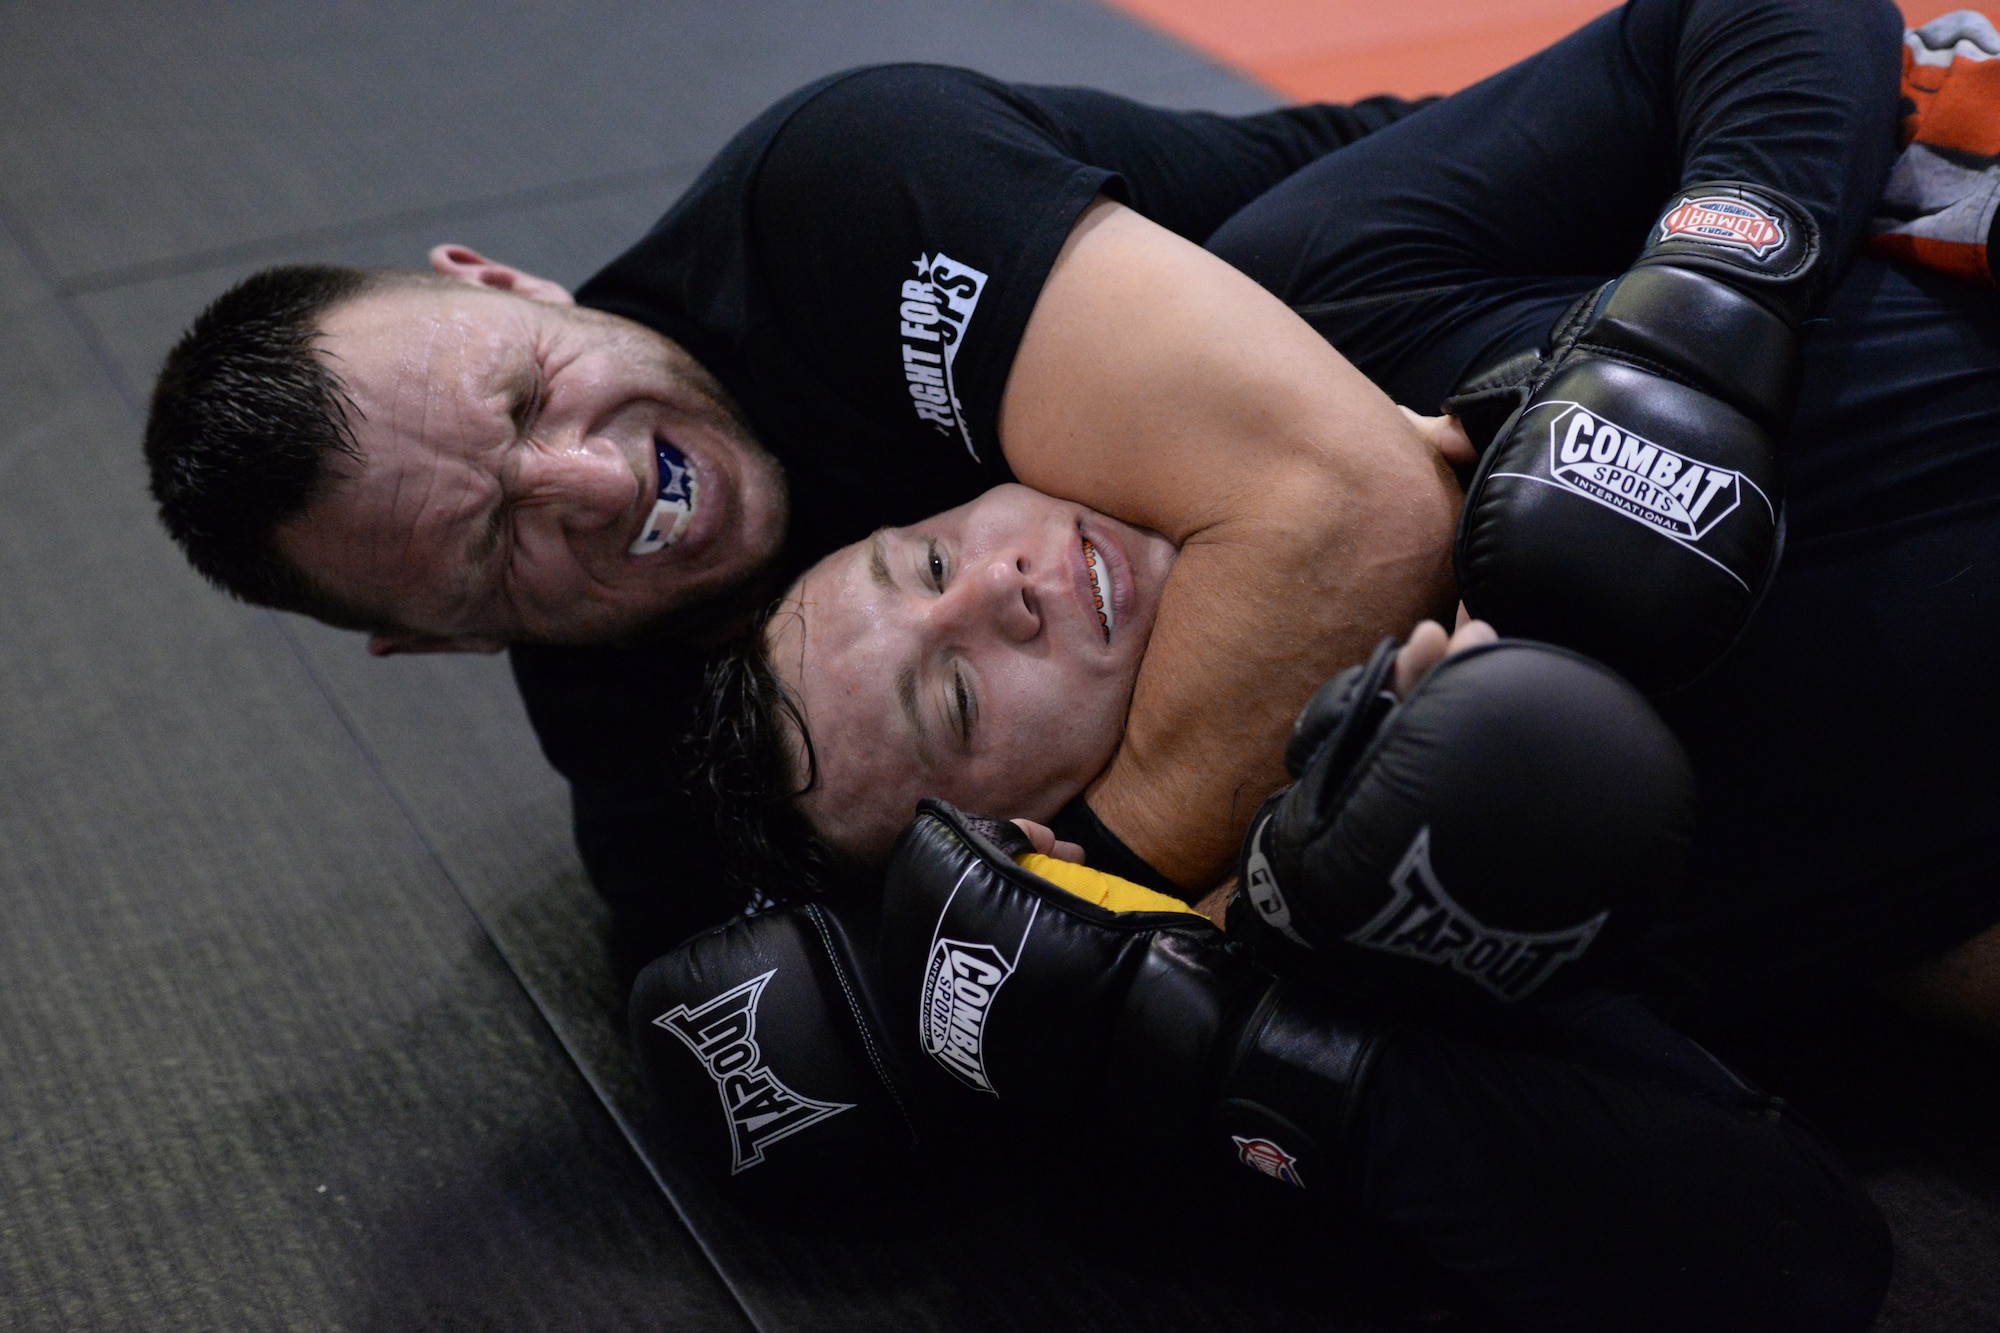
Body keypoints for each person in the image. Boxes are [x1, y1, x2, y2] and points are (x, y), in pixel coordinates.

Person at [144, 0, 1941, 983]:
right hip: (1653, 711)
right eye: (490, 543)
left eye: (535, 388)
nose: (599, 480)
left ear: (507, 284)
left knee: (1419, 465)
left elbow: (1347, 517)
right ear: (421, 642)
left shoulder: (841, 203)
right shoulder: (654, 776)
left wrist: (1103, 902)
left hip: (1531, 307)